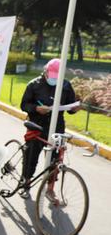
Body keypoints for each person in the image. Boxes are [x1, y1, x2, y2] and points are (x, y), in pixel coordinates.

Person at [20, 58, 80, 199]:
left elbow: (70, 107)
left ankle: (50, 189)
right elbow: (24, 105)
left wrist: (75, 108)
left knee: (55, 160)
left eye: (56, 77)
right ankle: (26, 183)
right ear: (45, 71)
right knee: (31, 156)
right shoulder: (34, 85)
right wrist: (35, 108)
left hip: (57, 127)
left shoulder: (65, 85)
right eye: (51, 76)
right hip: (37, 125)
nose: (53, 79)